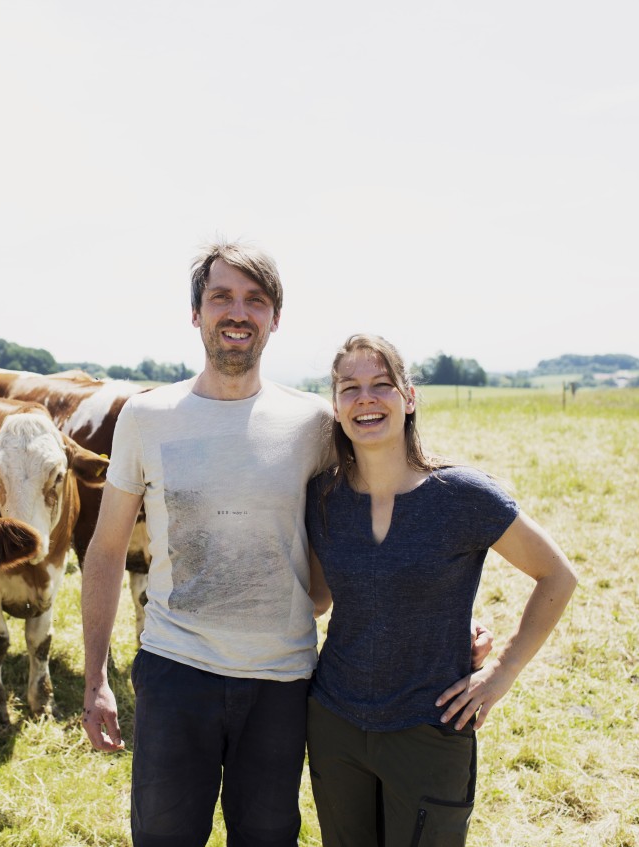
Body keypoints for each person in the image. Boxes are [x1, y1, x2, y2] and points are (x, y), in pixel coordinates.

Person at [80, 240, 335, 846]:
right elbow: (108, 549)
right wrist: (95, 679)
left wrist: (442, 611)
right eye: (221, 296)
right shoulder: (147, 417)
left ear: (275, 317)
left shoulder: (316, 423)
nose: (237, 312)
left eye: (256, 300)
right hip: (176, 672)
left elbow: (374, 519)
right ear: (196, 313)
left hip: (281, 681)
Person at [304, 333, 578, 847]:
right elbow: (319, 599)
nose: (366, 398)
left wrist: (501, 671)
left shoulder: (463, 496)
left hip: (430, 725)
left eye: (381, 384)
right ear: (336, 406)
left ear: (408, 398)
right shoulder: (323, 496)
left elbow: (557, 575)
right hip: (334, 722)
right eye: (349, 387)